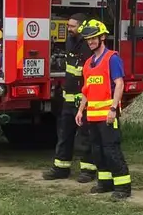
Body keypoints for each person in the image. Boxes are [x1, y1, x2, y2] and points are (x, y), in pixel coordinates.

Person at [75, 20, 131, 199]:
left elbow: (119, 84)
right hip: (92, 117)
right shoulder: (88, 63)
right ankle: (105, 183)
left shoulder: (112, 59)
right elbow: (86, 90)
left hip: (107, 116)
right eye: (88, 39)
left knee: (111, 151)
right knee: (97, 152)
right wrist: (80, 110)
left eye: (93, 38)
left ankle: (123, 187)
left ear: (102, 37)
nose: (90, 42)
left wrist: (113, 109)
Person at [43, 12, 98, 182]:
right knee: (64, 134)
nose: (69, 29)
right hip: (69, 98)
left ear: (81, 26)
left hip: (84, 99)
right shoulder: (70, 42)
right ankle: (60, 168)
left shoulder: (89, 46)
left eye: (72, 26)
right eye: (68, 26)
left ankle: (87, 170)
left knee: (85, 136)